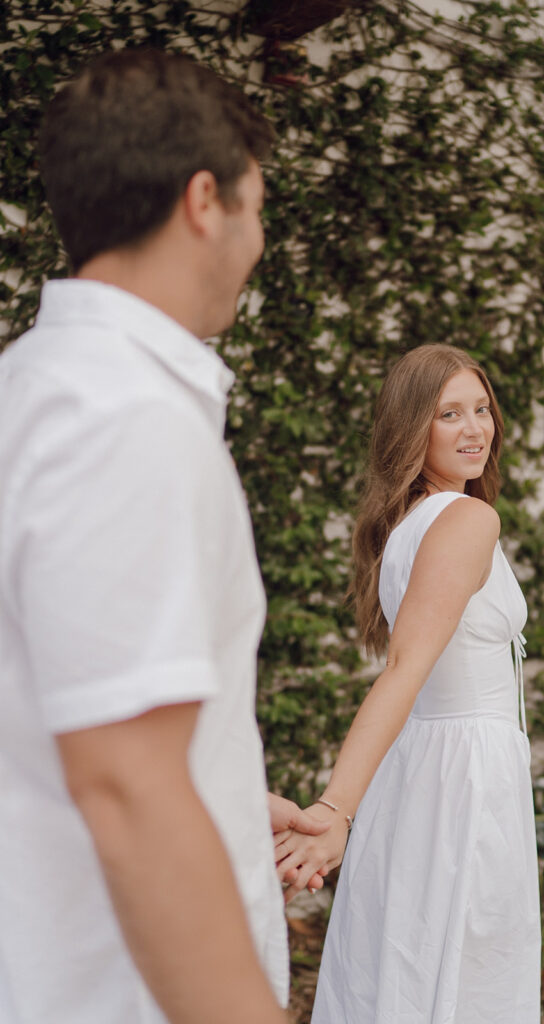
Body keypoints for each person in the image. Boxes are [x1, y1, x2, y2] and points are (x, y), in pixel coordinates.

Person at [0, 48, 326, 1024]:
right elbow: (129, 788)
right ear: (202, 202)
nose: (260, 239)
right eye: (258, 207)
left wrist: (221, 792)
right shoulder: (125, 419)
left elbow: (66, 710)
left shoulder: (33, 389)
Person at [274, 343, 541, 1022]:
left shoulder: (411, 524)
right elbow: (405, 669)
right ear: (410, 429)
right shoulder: (467, 519)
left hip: (424, 769)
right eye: (449, 414)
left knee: (409, 963)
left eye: (482, 409)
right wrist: (336, 808)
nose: (475, 428)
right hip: (463, 778)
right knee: (465, 975)